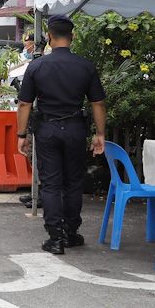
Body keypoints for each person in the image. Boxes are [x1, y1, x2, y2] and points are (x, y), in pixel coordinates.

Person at [15, 14, 107, 255]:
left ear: (49, 37)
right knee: (74, 182)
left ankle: (55, 238)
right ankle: (71, 232)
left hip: (47, 129)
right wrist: (100, 133)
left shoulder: (36, 66)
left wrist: (21, 134)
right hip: (76, 128)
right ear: (72, 37)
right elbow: (98, 103)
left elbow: (25, 104)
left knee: (52, 184)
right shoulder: (86, 66)